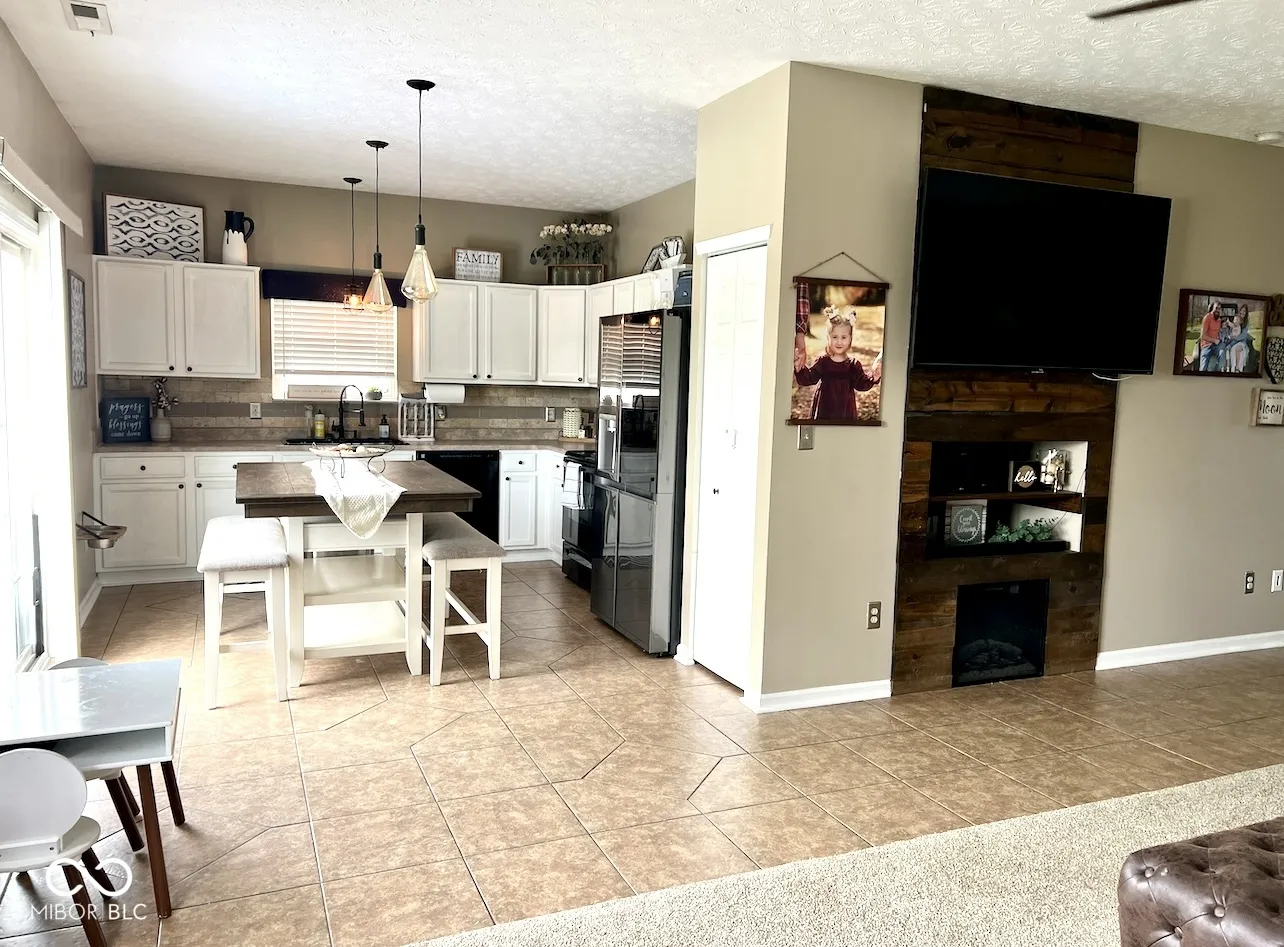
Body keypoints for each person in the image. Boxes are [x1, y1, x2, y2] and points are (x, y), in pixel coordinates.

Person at [793, 307, 881, 421]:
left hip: (845, 413)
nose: (839, 342)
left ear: (850, 339)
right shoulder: (823, 362)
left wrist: (873, 377)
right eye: (835, 337)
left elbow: (861, 384)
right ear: (828, 338)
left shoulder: (853, 365)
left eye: (844, 337)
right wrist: (799, 368)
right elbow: (809, 378)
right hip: (824, 412)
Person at [1223, 308, 1256, 373]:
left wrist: (1233, 339)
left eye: (1244, 311)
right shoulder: (1235, 321)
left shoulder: (1243, 324)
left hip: (1241, 341)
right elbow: (1230, 326)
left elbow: (1243, 335)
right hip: (1233, 340)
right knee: (1232, 349)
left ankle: (1238, 368)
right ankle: (1232, 367)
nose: (1242, 312)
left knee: (1238, 348)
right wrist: (1227, 322)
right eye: (1241, 310)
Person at [1197, 301, 1223, 371]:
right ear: (1212, 308)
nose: (1217, 310)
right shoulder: (1207, 317)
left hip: (1216, 345)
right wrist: (1214, 340)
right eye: (1216, 308)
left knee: (1222, 354)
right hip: (1206, 345)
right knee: (1203, 368)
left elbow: (1219, 332)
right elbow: (1202, 336)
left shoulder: (1219, 320)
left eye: (1219, 309)